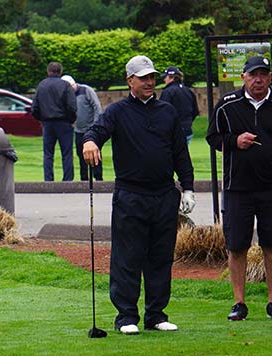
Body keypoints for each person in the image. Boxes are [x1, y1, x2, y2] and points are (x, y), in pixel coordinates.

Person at [82, 55, 195, 335]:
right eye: (143, 78)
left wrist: (188, 187)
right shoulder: (117, 111)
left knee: (160, 257)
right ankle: (126, 316)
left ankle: (156, 315)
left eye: (152, 77)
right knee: (128, 256)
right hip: (131, 195)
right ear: (130, 80)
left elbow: (180, 152)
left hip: (164, 194)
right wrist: (89, 141)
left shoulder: (167, 111)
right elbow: (96, 131)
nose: (149, 82)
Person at [206, 56, 272, 321]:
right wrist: (235, 140)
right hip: (238, 188)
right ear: (244, 77)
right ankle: (239, 303)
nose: (258, 79)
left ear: (270, 77)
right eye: (253, 74)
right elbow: (212, 137)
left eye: (263, 74)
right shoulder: (227, 106)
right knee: (237, 245)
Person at [31, 62, 77, 181]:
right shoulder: (65, 85)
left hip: (47, 123)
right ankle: (67, 180)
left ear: (48, 71)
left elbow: (35, 107)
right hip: (64, 122)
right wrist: (71, 120)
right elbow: (72, 106)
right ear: (60, 72)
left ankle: (48, 179)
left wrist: (41, 118)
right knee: (67, 153)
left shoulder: (42, 85)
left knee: (48, 154)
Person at [61, 75, 104, 181]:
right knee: (81, 155)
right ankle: (84, 179)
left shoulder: (86, 90)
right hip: (78, 130)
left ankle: (98, 178)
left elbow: (96, 106)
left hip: (91, 129)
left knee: (95, 155)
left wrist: (96, 124)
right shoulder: (66, 95)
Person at [159, 66, 199, 145]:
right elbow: (195, 111)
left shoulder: (168, 92)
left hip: (173, 132)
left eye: (165, 77)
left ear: (171, 77)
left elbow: (161, 112)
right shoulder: (188, 91)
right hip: (187, 130)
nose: (164, 80)